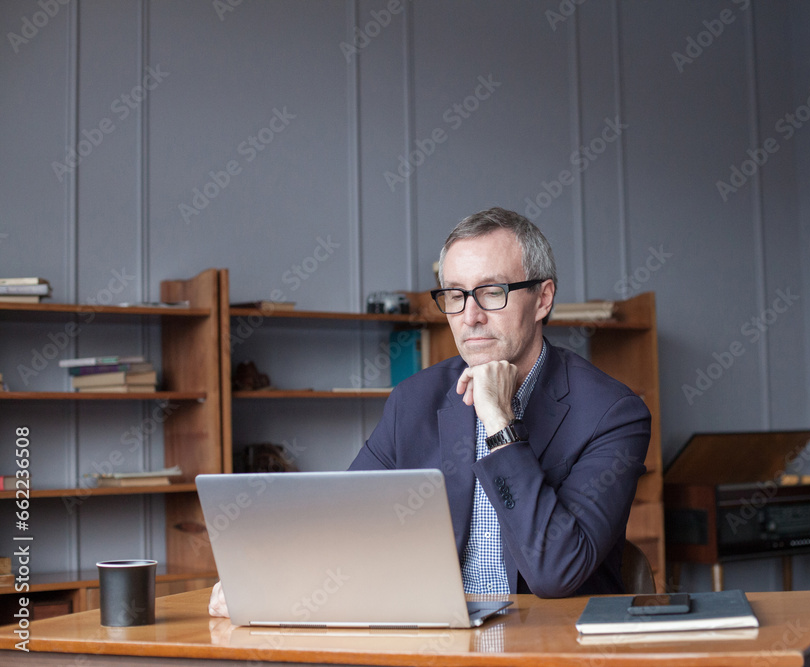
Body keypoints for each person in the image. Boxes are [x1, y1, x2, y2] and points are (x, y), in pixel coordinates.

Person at [209, 207, 650, 616]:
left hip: (553, 647)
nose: (470, 316)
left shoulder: (613, 414)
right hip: (441, 641)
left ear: (542, 299)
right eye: (455, 295)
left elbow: (557, 572)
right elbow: (342, 525)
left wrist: (500, 423)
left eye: (491, 292)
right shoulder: (414, 400)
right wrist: (264, 579)